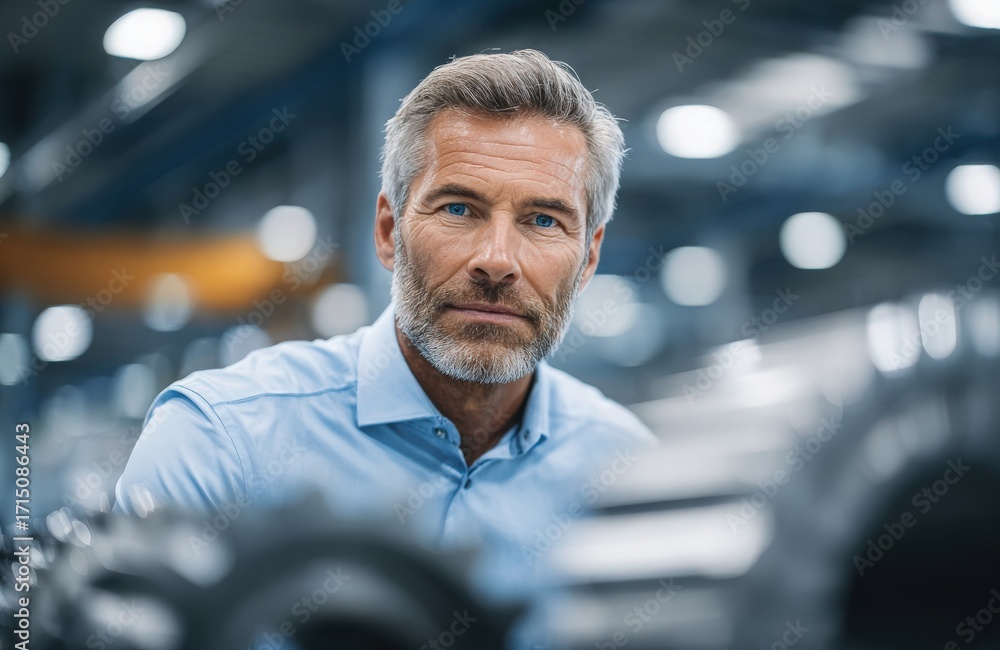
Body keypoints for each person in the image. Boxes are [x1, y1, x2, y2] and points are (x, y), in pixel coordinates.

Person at [113, 48, 657, 578]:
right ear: (389, 232)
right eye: (459, 209)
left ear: (588, 258)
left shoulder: (631, 472)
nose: (496, 261)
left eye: (543, 221)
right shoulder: (220, 442)